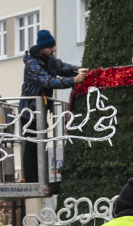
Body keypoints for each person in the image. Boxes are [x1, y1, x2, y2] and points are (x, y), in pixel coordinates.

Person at [20, 29, 87, 185]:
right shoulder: (32, 64)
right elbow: (47, 81)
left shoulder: (48, 59)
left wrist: (78, 69)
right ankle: (32, 180)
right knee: (31, 144)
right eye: (50, 47)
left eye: (54, 46)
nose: (53, 50)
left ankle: (40, 177)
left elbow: (61, 67)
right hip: (29, 110)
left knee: (41, 142)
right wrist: (73, 80)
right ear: (42, 48)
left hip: (40, 109)